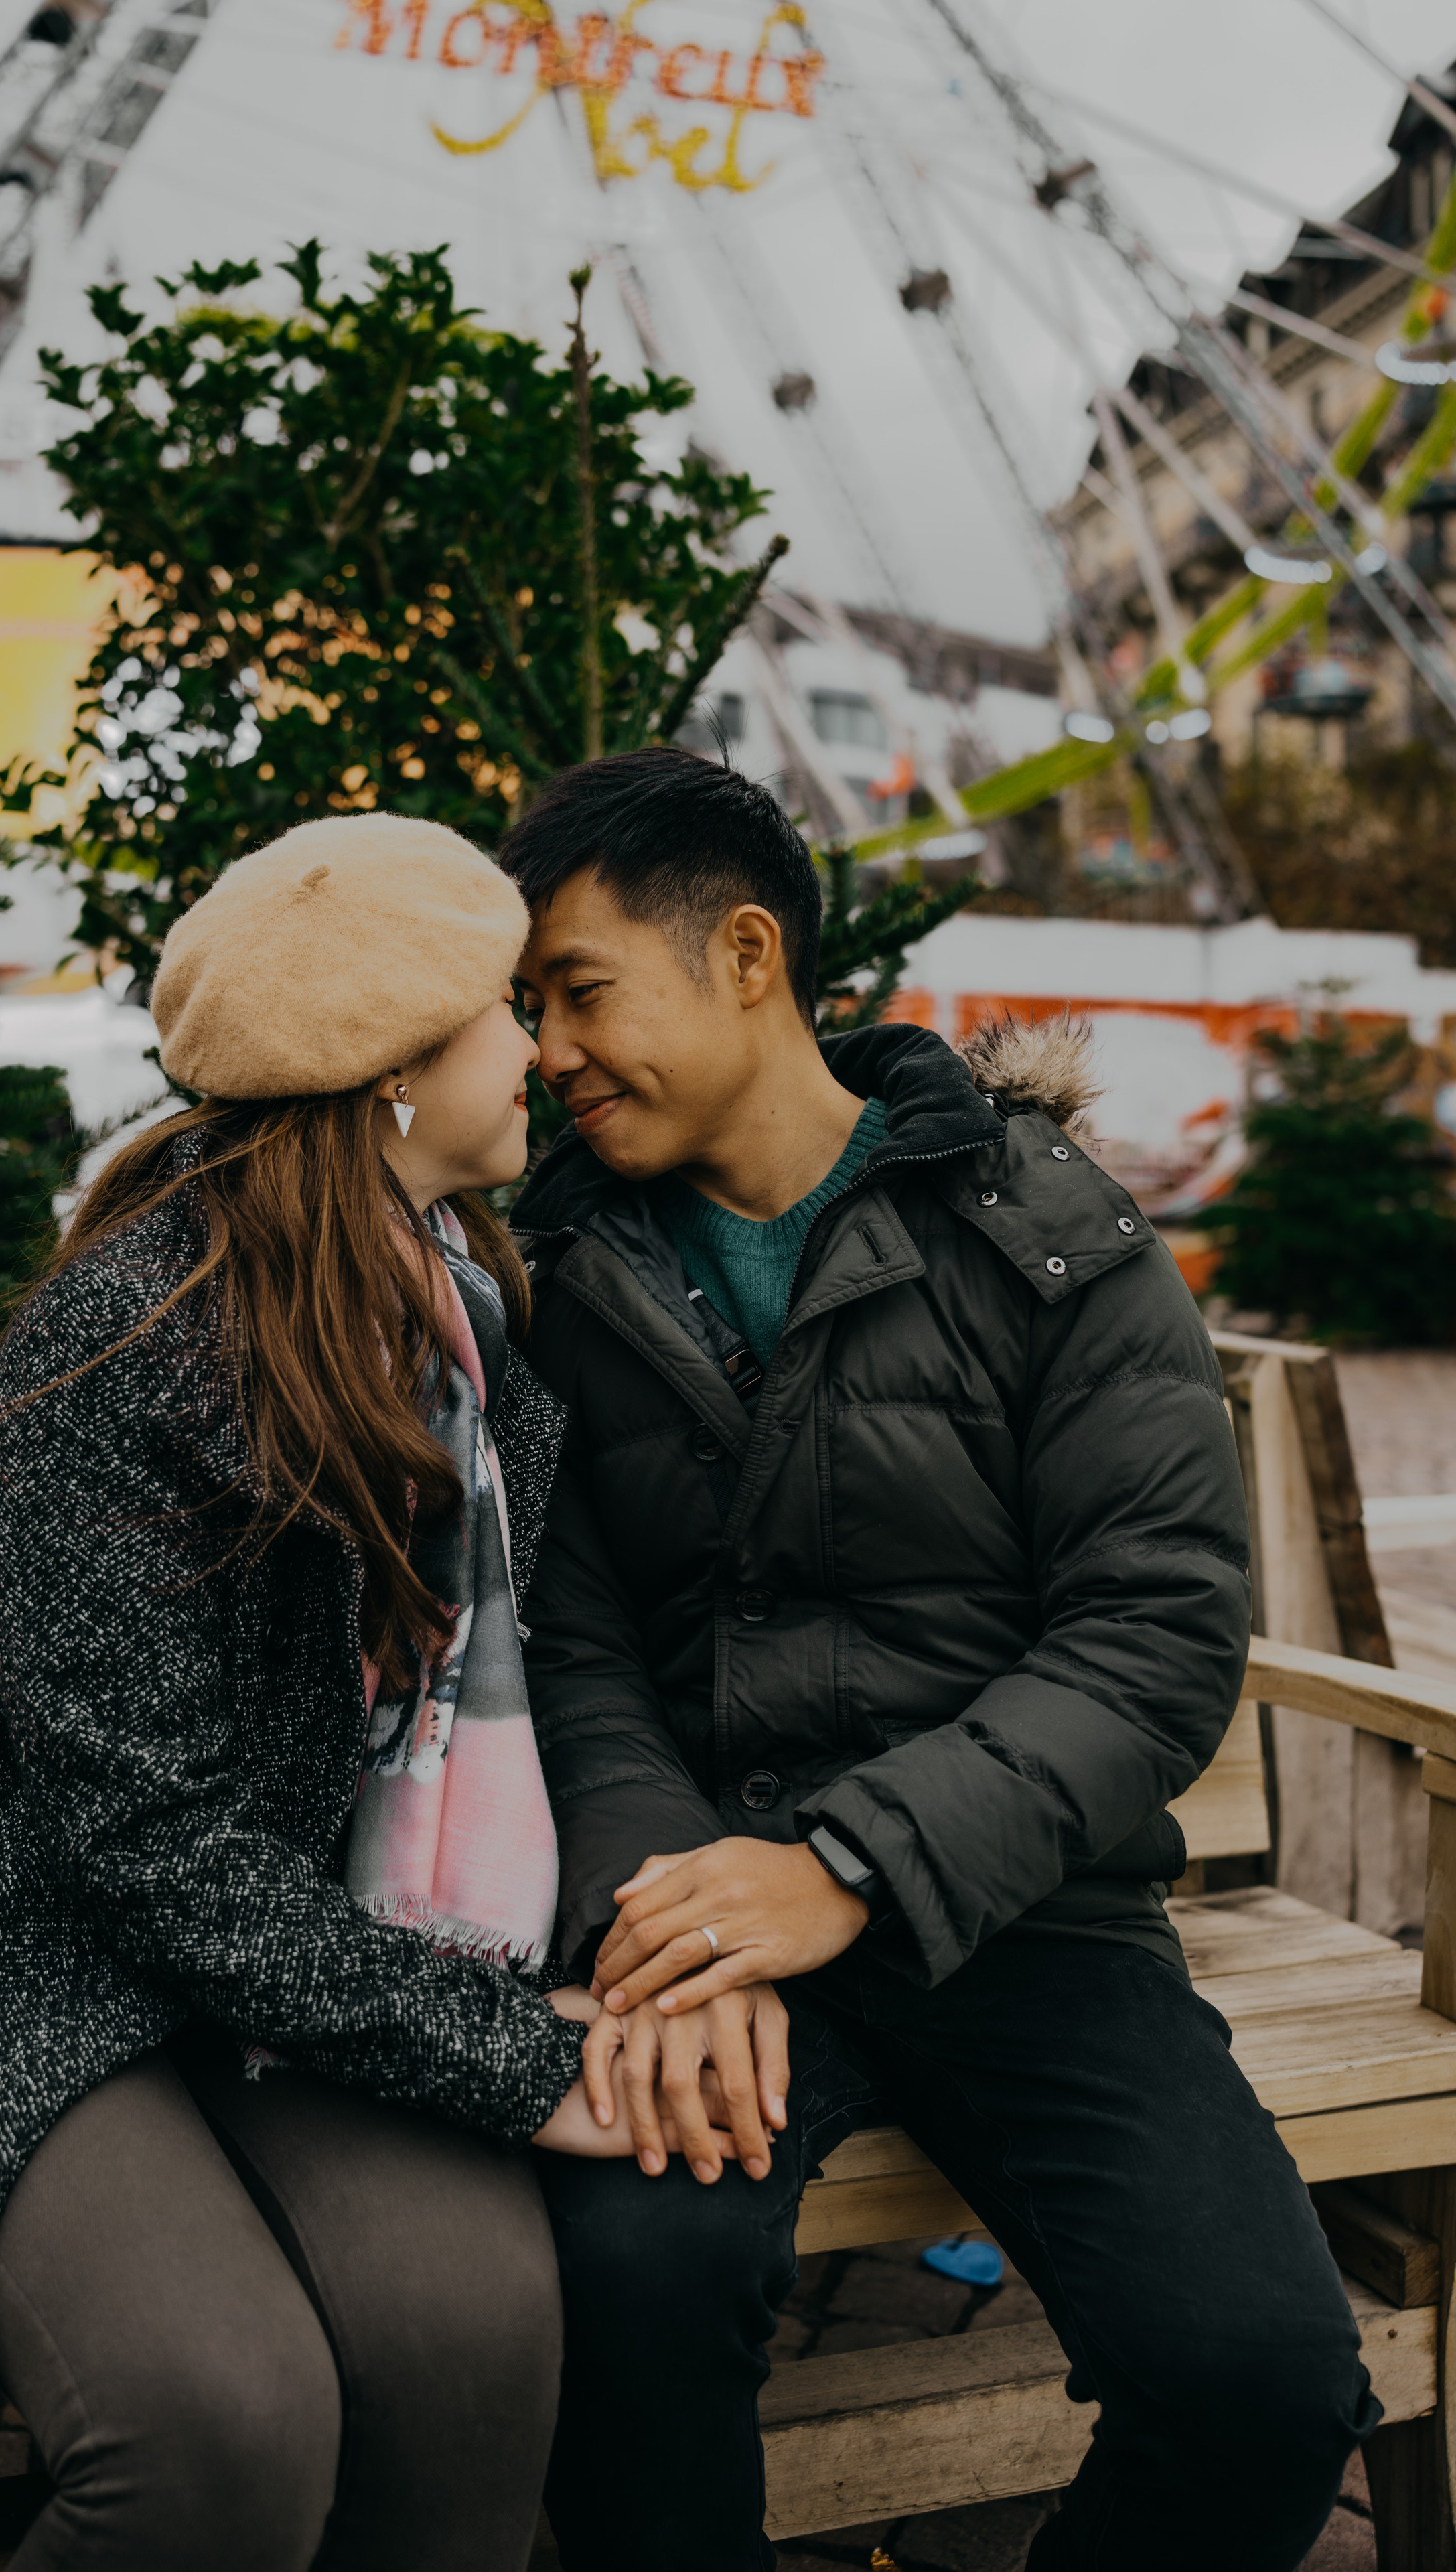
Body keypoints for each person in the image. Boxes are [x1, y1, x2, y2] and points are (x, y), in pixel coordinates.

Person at [0, 813, 723, 2572]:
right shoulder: (124, 1343)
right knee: (219, 2420)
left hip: (305, 1951)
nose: (544, 1048)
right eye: (505, 1009)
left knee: (471, 2334)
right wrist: (508, 2055)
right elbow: (153, 1850)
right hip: (17, 1960)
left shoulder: (459, 1318)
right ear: (389, 1079)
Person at [500, 747, 1379, 2572]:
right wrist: (671, 1913)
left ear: (747, 954)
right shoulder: (557, 1285)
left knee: (1261, 2379)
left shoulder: (1051, 1247)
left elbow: (1151, 1639)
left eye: (579, 992)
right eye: (528, 1010)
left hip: (1027, 1917)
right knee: (630, 2300)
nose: (548, 1051)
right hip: (697, 1908)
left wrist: (845, 1868)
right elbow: (569, 1646)